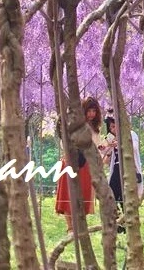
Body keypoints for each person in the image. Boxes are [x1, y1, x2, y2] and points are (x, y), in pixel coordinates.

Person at [55, 97, 103, 232]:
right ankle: (70, 227)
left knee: (84, 194)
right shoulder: (75, 125)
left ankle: (80, 225)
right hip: (71, 161)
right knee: (68, 194)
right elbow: (65, 141)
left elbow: (96, 145)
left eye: (94, 111)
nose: (92, 114)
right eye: (89, 110)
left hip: (87, 164)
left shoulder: (95, 128)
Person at [103, 114, 143, 233]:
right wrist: (106, 149)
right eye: (111, 127)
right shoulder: (111, 139)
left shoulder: (131, 134)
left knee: (126, 197)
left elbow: (134, 148)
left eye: (115, 126)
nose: (113, 129)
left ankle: (128, 222)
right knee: (112, 196)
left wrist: (120, 143)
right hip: (116, 171)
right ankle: (118, 223)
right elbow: (106, 161)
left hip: (128, 169)